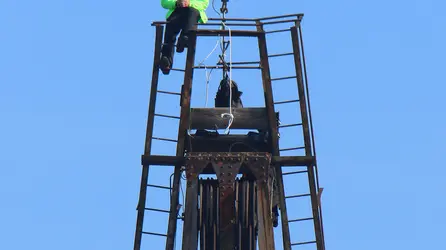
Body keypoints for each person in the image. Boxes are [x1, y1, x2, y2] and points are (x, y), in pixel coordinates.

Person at [160, 0, 209, 75]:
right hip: (177, 12)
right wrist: (176, 3)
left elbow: (204, 3)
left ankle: (184, 39)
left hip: (192, 12)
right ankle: (166, 60)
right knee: (170, 28)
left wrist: (189, 3)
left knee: (191, 12)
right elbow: (164, 2)